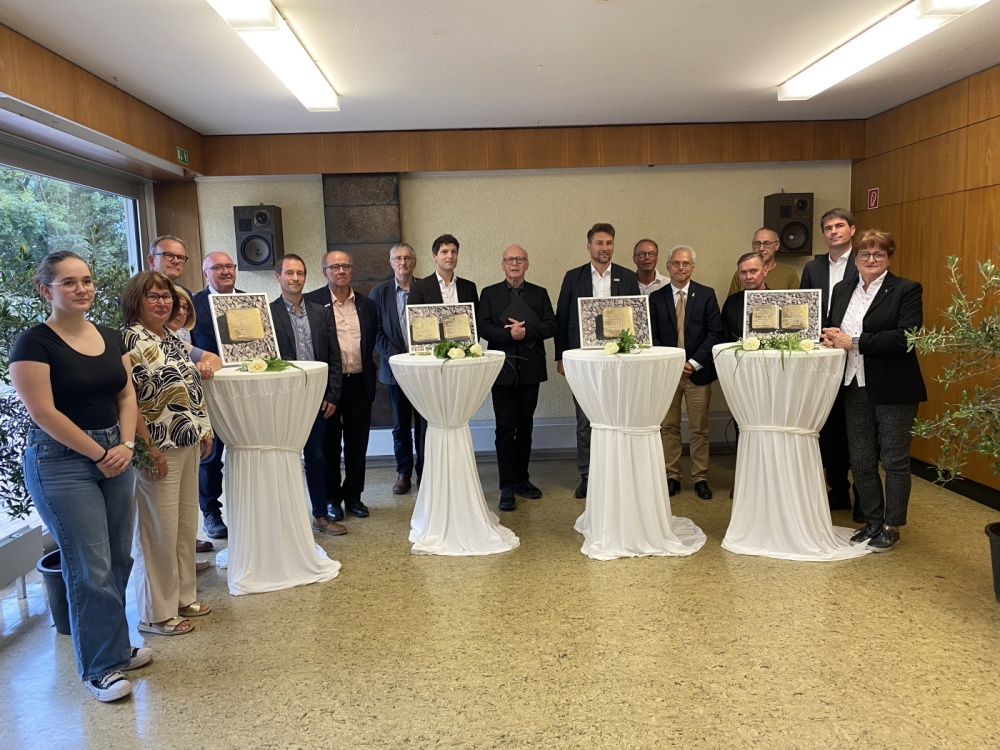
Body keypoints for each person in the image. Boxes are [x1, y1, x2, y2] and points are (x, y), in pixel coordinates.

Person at [10, 250, 149, 702]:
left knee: (118, 558)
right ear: (45, 290)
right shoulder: (33, 343)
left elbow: (126, 396)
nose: (81, 289)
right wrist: (100, 453)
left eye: (86, 280)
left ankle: (116, 649)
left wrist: (124, 445)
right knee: (90, 567)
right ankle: (100, 668)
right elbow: (43, 413)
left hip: (115, 452)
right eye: (68, 282)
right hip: (61, 461)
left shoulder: (109, 337)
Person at [121, 271, 217, 637]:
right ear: (136, 301)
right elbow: (128, 401)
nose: (163, 303)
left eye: (166, 297)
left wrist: (204, 428)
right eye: (153, 296)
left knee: (183, 527)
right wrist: (146, 448)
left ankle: (183, 597)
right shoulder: (128, 341)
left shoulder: (171, 338)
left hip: (187, 441)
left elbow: (190, 386)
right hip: (157, 447)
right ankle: (156, 613)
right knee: (156, 532)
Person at [822, 229, 927, 552]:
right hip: (853, 384)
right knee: (861, 459)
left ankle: (892, 525)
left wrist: (853, 341)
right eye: (864, 254)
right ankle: (871, 519)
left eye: (878, 254)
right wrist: (829, 337)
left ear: (889, 258)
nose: (870, 260)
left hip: (894, 387)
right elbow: (834, 326)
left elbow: (905, 337)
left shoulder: (906, 289)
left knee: (894, 459)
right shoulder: (842, 289)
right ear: (855, 259)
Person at [555, 222, 640, 499]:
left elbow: (637, 318)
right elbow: (562, 318)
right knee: (585, 420)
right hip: (582, 360)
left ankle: (616, 473)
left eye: (609, 243)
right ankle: (587, 475)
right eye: (599, 243)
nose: (605, 248)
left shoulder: (627, 277)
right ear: (589, 246)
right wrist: (561, 356)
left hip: (619, 361)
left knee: (617, 416)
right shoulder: (573, 277)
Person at [477, 245, 558, 511]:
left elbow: (552, 325)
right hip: (502, 370)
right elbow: (482, 327)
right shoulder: (489, 293)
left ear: (527, 264)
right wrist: (508, 334)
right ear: (503, 264)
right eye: (510, 260)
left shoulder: (539, 293)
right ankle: (506, 486)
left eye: (519, 259)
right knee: (504, 429)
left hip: (530, 370)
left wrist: (526, 332)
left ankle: (522, 479)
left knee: (525, 427)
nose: (514, 264)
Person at [270, 254, 346, 535]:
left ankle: (320, 515)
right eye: (289, 273)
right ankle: (287, 520)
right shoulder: (267, 314)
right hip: (284, 400)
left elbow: (334, 356)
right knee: (285, 458)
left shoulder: (320, 312)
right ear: (278, 276)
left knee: (315, 456)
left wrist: (332, 395)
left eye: (300, 273)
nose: (295, 278)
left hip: (317, 399)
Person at [305, 250, 378, 520]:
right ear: (324, 272)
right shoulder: (312, 303)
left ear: (352, 270)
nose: (341, 271)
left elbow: (371, 342)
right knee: (329, 445)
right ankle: (332, 499)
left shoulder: (367, 305)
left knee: (358, 444)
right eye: (334, 267)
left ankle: (354, 496)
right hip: (328, 387)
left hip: (360, 382)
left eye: (346, 266)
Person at [649, 246, 723, 499]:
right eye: (676, 263)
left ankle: (700, 477)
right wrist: (673, 363)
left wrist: (692, 363)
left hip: (697, 374)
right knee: (669, 427)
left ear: (693, 266)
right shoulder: (656, 298)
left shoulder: (706, 295)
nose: (681, 268)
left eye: (686, 263)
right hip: (668, 375)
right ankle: (673, 476)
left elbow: (715, 333)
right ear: (668, 266)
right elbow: (652, 336)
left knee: (699, 428)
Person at [803, 208, 860, 513]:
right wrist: (818, 337)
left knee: (859, 428)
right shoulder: (813, 268)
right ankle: (837, 490)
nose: (834, 231)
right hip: (823, 355)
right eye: (828, 228)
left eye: (839, 226)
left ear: (852, 230)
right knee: (831, 426)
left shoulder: (863, 262)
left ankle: (864, 496)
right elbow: (805, 309)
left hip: (857, 353)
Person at [190, 252, 243, 539]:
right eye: (218, 267)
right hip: (209, 392)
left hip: (244, 392)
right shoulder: (192, 305)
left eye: (229, 266)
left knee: (247, 452)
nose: (225, 271)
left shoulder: (250, 301)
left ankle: (248, 511)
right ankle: (211, 513)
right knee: (210, 457)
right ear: (205, 273)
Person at [369, 243, 426, 494]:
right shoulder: (379, 292)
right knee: (401, 426)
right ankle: (403, 472)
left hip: (424, 371)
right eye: (398, 258)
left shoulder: (425, 288)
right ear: (391, 263)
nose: (403, 262)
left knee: (425, 424)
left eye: (407, 258)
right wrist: (400, 358)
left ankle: (424, 471)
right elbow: (375, 332)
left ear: (414, 262)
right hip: (394, 372)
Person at [407, 233, 480, 307]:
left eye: (453, 252)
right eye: (444, 252)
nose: (450, 256)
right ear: (435, 256)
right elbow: (415, 314)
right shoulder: (419, 288)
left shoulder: (469, 287)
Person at [727, 227, 799, 295]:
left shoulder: (789, 274)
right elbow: (733, 301)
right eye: (757, 243)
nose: (761, 248)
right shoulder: (742, 274)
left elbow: (797, 302)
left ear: (777, 245)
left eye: (767, 243)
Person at [721, 253, 768, 342]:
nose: (748, 277)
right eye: (743, 272)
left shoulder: (778, 300)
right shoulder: (731, 302)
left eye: (753, 271)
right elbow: (723, 336)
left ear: (765, 271)